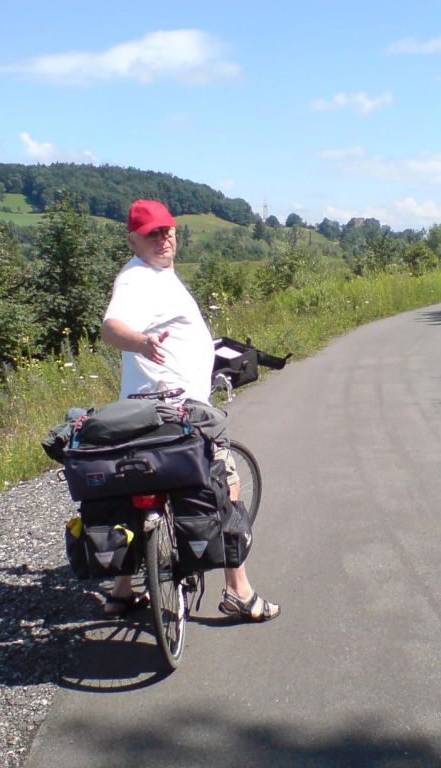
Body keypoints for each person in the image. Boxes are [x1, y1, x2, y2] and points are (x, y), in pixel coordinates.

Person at [99, 199, 280, 623]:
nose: (163, 239)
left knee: (136, 491)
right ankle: (238, 591)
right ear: (133, 240)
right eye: (152, 234)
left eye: (167, 230)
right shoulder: (137, 279)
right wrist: (141, 343)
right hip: (178, 413)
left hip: (144, 411)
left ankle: (121, 592)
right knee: (225, 484)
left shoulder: (159, 276)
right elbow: (111, 327)